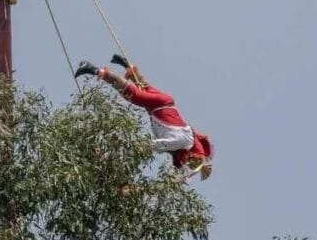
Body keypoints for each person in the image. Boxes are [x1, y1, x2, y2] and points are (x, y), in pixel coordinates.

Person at [75, 55, 213, 180]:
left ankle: (125, 63)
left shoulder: (182, 145)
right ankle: (93, 69)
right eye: (188, 161)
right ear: (191, 154)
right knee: (132, 94)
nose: (184, 163)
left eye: (187, 164)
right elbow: (154, 144)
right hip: (160, 105)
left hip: (161, 106)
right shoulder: (181, 142)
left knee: (144, 86)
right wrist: (133, 147)